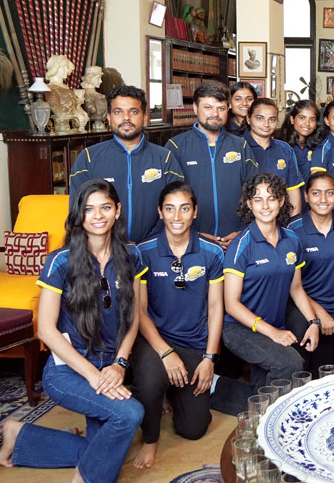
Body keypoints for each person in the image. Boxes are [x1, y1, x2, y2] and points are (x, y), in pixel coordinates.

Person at [0, 179, 146, 483]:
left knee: (104, 446)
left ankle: (19, 436)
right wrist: (93, 375)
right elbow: (46, 330)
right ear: (79, 214)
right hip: (68, 369)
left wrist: (120, 364)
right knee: (129, 415)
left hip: (109, 366)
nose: (98, 215)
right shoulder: (60, 260)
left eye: (105, 207)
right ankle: (85, 478)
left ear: (117, 210)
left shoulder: (132, 255)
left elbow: (133, 317)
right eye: (89, 209)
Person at [130, 181, 224, 468]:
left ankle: (172, 392)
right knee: (149, 380)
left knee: (193, 429)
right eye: (169, 209)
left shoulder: (211, 252)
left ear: (195, 212)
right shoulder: (143, 252)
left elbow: (215, 307)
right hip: (155, 341)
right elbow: (140, 312)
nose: (177, 216)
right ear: (160, 212)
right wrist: (166, 353)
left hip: (194, 343)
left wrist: (210, 358)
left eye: (184, 208)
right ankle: (150, 439)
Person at [219, 173, 320, 414]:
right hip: (239, 328)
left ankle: (226, 392)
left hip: (274, 321)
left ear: (282, 201)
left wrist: (313, 322)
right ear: (249, 204)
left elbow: (296, 288)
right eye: (258, 199)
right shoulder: (241, 245)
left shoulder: (292, 240)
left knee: (265, 387)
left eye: (271, 198)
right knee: (289, 363)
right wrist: (273, 333)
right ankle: (268, 417)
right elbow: (231, 304)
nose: (265, 205)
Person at [69, 85, 184, 242]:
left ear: (145, 117)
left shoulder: (165, 158)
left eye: (133, 112)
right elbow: (77, 210)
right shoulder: (88, 158)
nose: (126, 118)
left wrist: (150, 243)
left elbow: (177, 206)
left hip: (155, 247)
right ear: (109, 117)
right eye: (118, 112)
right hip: (104, 248)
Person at [166, 81, 258, 250]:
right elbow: (168, 199)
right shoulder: (176, 147)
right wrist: (193, 234)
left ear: (228, 108)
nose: (215, 114)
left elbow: (254, 192)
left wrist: (243, 231)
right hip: (191, 241)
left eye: (221, 108)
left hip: (238, 238)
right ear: (195, 108)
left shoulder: (241, 146)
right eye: (208, 107)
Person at [287, 172, 334, 374]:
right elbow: (292, 286)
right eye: (316, 193)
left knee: (323, 372)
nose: (323, 199)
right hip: (303, 309)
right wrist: (319, 314)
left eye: (329, 193)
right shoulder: (293, 230)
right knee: (302, 371)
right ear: (306, 196)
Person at [243, 97, 304, 216]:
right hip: (246, 221)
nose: (266, 124)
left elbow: (293, 192)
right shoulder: (239, 148)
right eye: (260, 118)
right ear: (248, 119)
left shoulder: (285, 150)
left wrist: (293, 224)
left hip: (280, 221)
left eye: (272, 119)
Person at [283, 99, 322, 194]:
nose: (307, 123)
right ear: (292, 119)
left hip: (313, 199)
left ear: (316, 124)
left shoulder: (320, 146)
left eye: (312, 119)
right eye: (302, 118)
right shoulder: (282, 146)